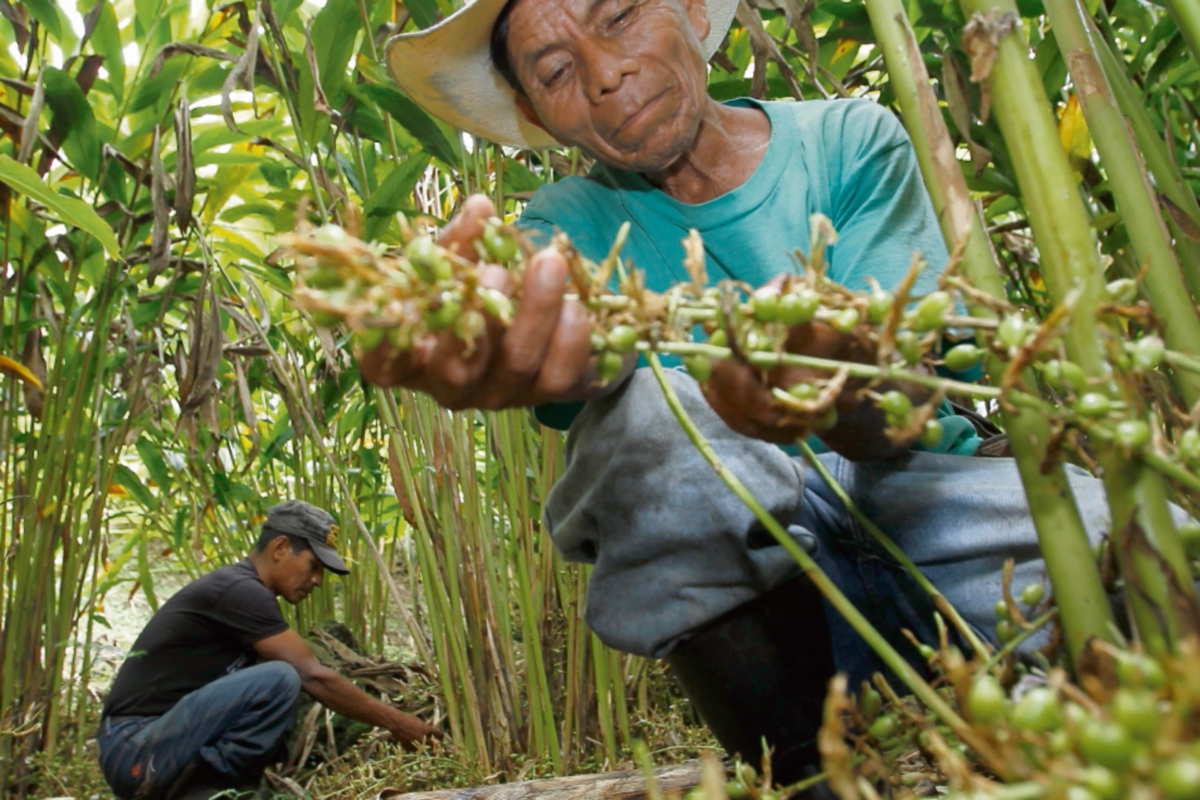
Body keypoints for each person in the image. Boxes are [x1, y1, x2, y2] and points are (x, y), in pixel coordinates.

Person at [369, 0, 1189, 787]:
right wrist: (485, 327)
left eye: (618, 17)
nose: (605, 74)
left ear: (692, 9)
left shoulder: (848, 138)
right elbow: (555, 326)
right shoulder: (564, 221)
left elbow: (899, 397)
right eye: (554, 70)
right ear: (539, 117)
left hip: (930, 514)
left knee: (1162, 545)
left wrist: (830, 389)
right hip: (773, 598)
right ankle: (810, 771)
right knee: (655, 416)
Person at [96, 500, 441, 800]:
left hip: (151, 743)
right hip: (135, 749)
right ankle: (206, 792)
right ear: (279, 548)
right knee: (280, 678)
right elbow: (314, 676)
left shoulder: (241, 593)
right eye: (313, 566)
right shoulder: (241, 590)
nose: (318, 580)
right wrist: (399, 723)